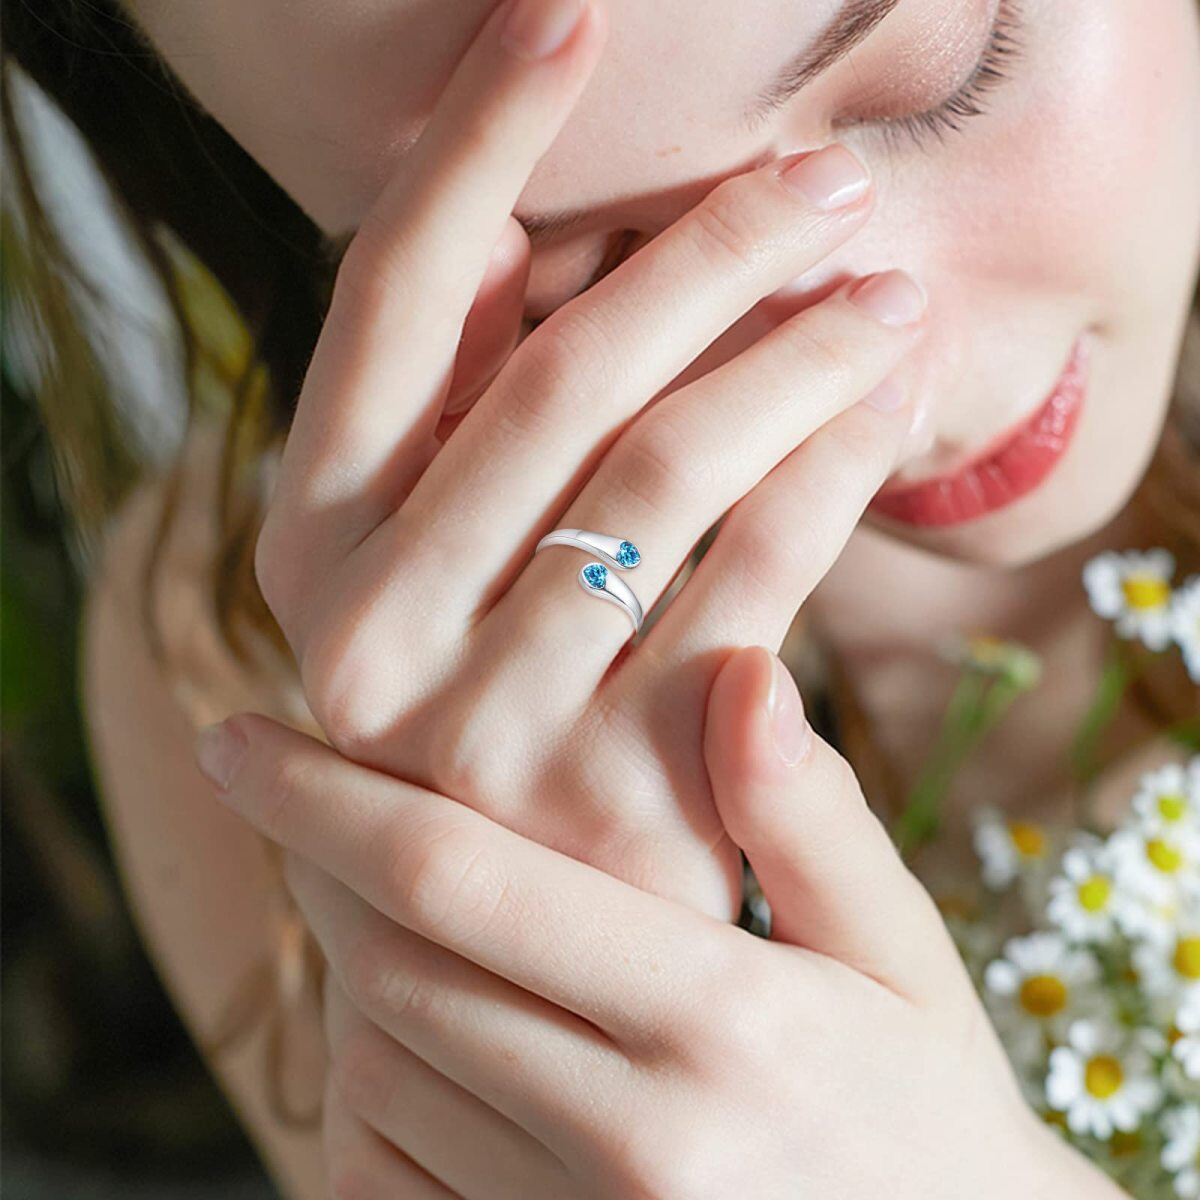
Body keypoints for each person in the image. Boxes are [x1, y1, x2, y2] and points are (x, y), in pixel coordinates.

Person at [5, 0, 1199, 1194]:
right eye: (588, 277)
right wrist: (576, 962)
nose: (899, 404)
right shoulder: (249, 672)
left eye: (944, 83)